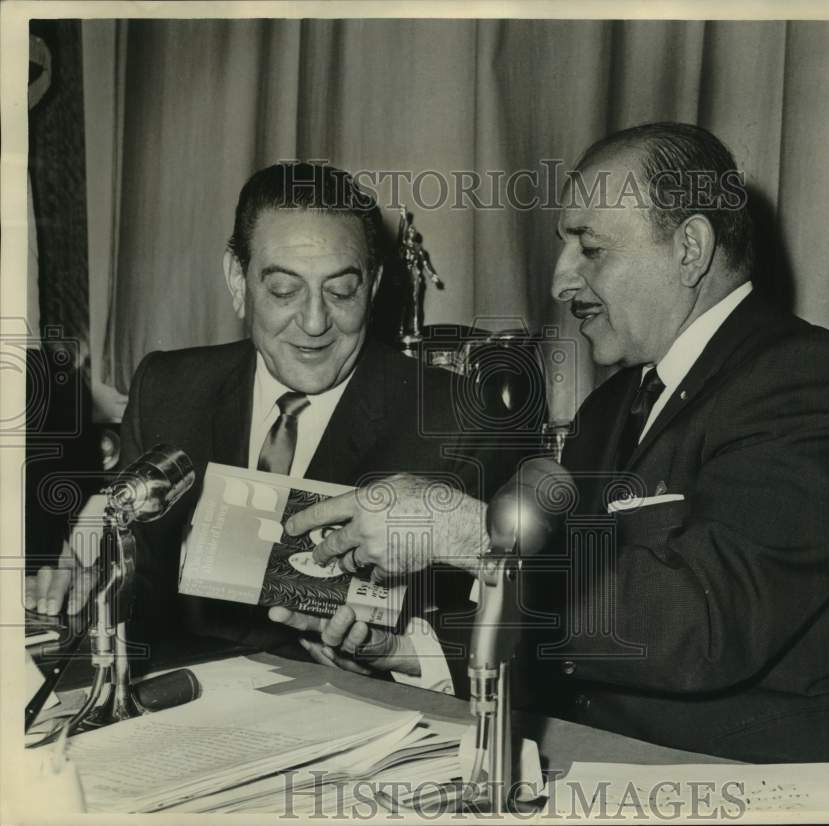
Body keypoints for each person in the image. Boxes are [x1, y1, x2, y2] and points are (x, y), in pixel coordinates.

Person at [278, 124, 829, 807]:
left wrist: (472, 533)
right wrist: (405, 651)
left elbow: (702, 625)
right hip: (627, 765)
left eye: (589, 249)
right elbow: (581, 623)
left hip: (796, 781)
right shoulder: (612, 407)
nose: (560, 279)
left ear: (689, 248)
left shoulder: (808, 384)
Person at [25, 162, 523, 696]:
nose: (313, 323)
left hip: (350, 723)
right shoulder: (167, 386)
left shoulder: (457, 419)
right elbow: (137, 576)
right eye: (284, 290)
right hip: (179, 703)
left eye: (342, 292)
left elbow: (516, 622)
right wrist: (89, 585)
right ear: (238, 281)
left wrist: (393, 656)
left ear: (375, 286)